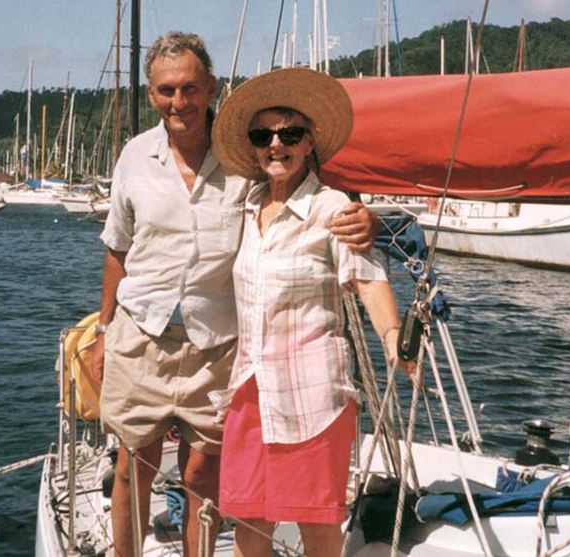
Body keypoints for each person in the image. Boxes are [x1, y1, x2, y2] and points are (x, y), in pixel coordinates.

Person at [92, 32, 380, 557]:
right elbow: (117, 251)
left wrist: (366, 216)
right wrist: (103, 330)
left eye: (190, 88)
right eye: (166, 90)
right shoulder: (134, 157)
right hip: (140, 335)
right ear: (152, 93)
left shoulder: (246, 158)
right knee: (133, 467)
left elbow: (309, 191)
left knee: (203, 474)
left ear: (212, 88)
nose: (179, 102)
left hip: (217, 342)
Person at [210, 67, 416, 557]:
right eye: (263, 135)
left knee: (316, 528)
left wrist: (392, 342)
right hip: (250, 390)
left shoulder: (332, 209)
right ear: (254, 147)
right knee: (248, 522)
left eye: (289, 133)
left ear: (309, 142)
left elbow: (368, 280)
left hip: (312, 398)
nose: (275, 144)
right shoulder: (244, 203)